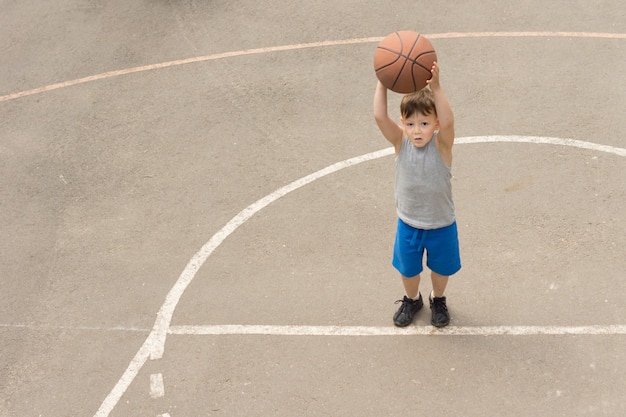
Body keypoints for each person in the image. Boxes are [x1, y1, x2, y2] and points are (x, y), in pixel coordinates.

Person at [373, 61, 461, 328]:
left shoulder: (442, 145)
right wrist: (383, 81)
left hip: (441, 224)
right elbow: (379, 117)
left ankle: (437, 298)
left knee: (441, 270)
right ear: (402, 124)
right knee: (408, 270)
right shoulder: (401, 142)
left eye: (424, 123)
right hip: (409, 223)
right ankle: (413, 299)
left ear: (435, 123)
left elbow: (449, 120)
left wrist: (436, 88)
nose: (417, 129)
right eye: (410, 123)